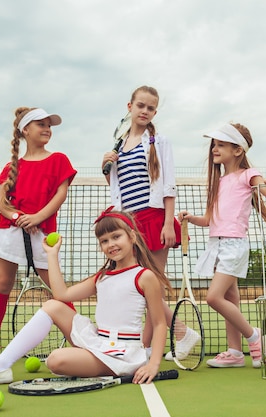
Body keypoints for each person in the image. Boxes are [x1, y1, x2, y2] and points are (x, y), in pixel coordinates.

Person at [0, 208, 170, 385]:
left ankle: (112, 366)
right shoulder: (102, 277)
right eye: (104, 241)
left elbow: (160, 323)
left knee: (55, 360)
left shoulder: (145, 276)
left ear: (132, 236)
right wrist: (52, 255)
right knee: (52, 305)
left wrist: (152, 364)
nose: (111, 244)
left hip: (122, 353)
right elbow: (62, 294)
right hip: (98, 340)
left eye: (116, 237)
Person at [101, 85, 199, 361]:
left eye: (151, 107)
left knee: (148, 288)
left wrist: (169, 224)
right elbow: (120, 190)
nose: (145, 111)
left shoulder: (160, 141)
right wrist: (106, 168)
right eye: (140, 105)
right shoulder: (119, 146)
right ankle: (145, 347)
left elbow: (168, 186)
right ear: (129, 106)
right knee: (141, 288)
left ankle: (179, 334)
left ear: (154, 112)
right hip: (129, 225)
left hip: (154, 219)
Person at [178, 122, 266, 368]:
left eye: (221, 144)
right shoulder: (218, 182)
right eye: (214, 144)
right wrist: (190, 218)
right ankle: (235, 353)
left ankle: (254, 337)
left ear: (238, 150)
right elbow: (208, 220)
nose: (214, 148)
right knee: (230, 298)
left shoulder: (249, 174)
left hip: (234, 246)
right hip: (217, 245)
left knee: (214, 298)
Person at [0, 107, 77, 362]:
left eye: (49, 125)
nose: (47, 129)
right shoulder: (13, 166)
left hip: (43, 235)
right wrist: (19, 219)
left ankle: (82, 339)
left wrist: (38, 217)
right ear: (25, 130)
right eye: (40, 124)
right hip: (11, 232)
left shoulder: (59, 160)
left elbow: (60, 194)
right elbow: (2, 203)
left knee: (58, 290)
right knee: (2, 283)